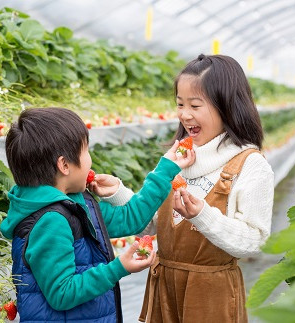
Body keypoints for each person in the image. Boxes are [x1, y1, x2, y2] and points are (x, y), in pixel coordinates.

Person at [108, 54, 275, 322]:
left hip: (211, 295)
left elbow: (254, 241)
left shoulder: (250, 165)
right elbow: (150, 224)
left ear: (227, 107)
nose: (185, 115)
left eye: (195, 105)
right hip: (164, 290)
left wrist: (202, 215)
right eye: (180, 104)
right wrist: (118, 192)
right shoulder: (177, 159)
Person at [0, 107, 195, 322]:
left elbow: (133, 218)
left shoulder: (77, 202)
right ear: (64, 165)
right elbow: (62, 293)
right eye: (86, 151)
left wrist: (166, 169)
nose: (90, 159)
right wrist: (118, 268)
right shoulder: (50, 221)